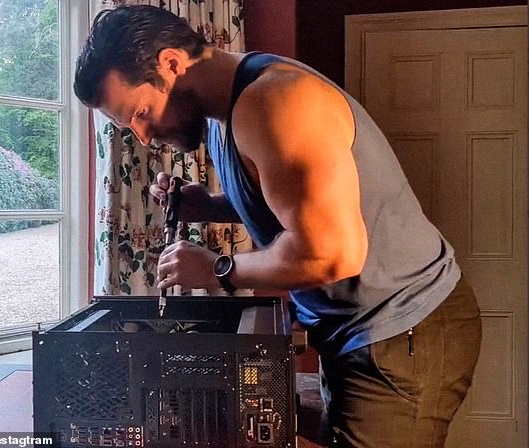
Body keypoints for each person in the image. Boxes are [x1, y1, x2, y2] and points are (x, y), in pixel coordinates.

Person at [74, 5, 482, 448]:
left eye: (140, 113)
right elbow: (293, 204)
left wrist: (216, 269)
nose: (145, 137)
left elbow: (332, 254)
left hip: (403, 328)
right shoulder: (224, 114)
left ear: (171, 64)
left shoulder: (276, 103)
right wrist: (208, 206)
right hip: (360, 330)